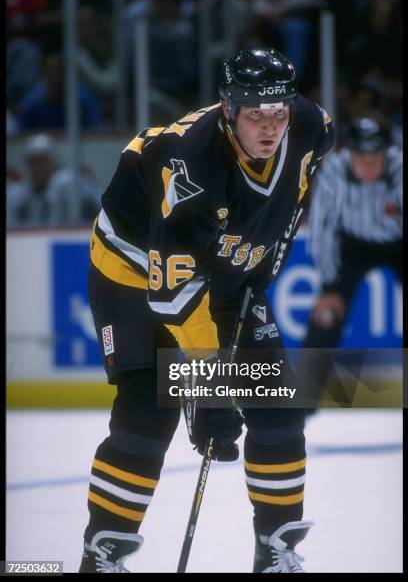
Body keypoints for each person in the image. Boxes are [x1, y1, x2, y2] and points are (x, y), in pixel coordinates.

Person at [79, 48, 334, 573]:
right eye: (255, 115)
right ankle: (101, 552)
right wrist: (211, 385)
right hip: (131, 273)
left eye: (278, 112)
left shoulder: (311, 126)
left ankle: (276, 550)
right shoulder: (189, 163)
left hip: (218, 270)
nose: (270, 127)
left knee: (276, 405)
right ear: (227, 110)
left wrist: (254, 272)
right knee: (150, 408)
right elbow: (172, 293)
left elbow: (292, 192)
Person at [300, 116, 402, 407]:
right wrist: (329, 285)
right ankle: (301, 406)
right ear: (350, 154)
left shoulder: (400, 167)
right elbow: (322, 228)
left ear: (387, 154)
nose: (368, 167)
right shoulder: (334, 170)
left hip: (398, 240)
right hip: (352, 244)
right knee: (325, 317)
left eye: (375, 159)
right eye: (361, 159)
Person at [7, 134, 101, 227]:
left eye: (42, 161)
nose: (37, 167)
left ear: (53, 161)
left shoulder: (67, 181)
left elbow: (99, 205)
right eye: (32, 161)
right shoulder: (17, 192)